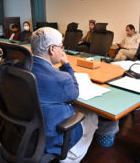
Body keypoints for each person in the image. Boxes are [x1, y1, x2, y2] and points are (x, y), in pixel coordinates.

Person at [30, 27, 98, 163]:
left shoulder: (22, 67)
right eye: (61, 46)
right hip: (51, 135)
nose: (63, 50)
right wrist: (66, 64)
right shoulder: (61, 78)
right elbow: (74, 92)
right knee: (92, 116)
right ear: (52, 49)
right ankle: (70, 158)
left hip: (28, 130)